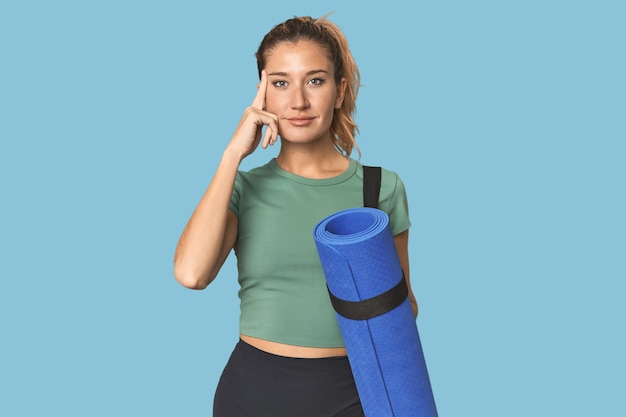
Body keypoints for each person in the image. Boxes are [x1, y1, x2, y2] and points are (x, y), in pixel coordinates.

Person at [174, 14, 418, 417]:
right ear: (262, 95)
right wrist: (231, 155)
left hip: (355, 393)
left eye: (316, 80)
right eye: (281, 83)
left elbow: (402, 306)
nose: (298, 101)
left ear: (339, 92)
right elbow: (191, 274)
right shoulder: (242, 188)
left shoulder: (381, 188)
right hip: (252, 392)